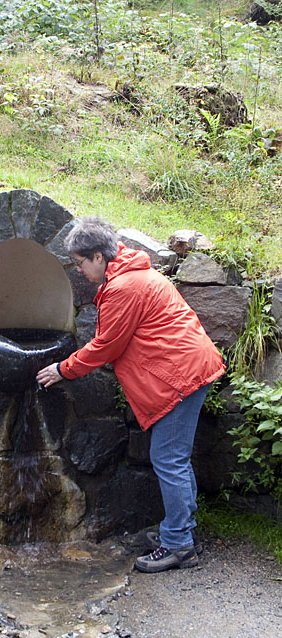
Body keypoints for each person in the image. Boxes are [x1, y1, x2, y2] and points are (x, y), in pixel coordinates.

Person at [36, 216, 225, 573]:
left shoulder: (124, 287)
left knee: (169, 458)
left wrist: (62, 369)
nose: (79, 272)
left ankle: (179, 545)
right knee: (173, 457)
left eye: (80, 263)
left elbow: (106, 346)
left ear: (98, 256)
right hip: (186, 369)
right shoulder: (131, 273)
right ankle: (178, 530)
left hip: (180, 377)